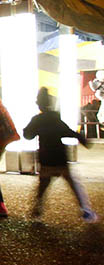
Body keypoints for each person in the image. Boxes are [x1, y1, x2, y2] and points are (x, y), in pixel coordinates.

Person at [24, 87, 97, 223]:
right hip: (60, 157)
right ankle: (86, 211)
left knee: (42, 187)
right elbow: (68, 131)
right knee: (74, 185)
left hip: (46, 158)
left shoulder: (37, 120)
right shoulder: (55, 118)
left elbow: (28, 135)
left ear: (39, 104)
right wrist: (83, 140)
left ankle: (36, 212)